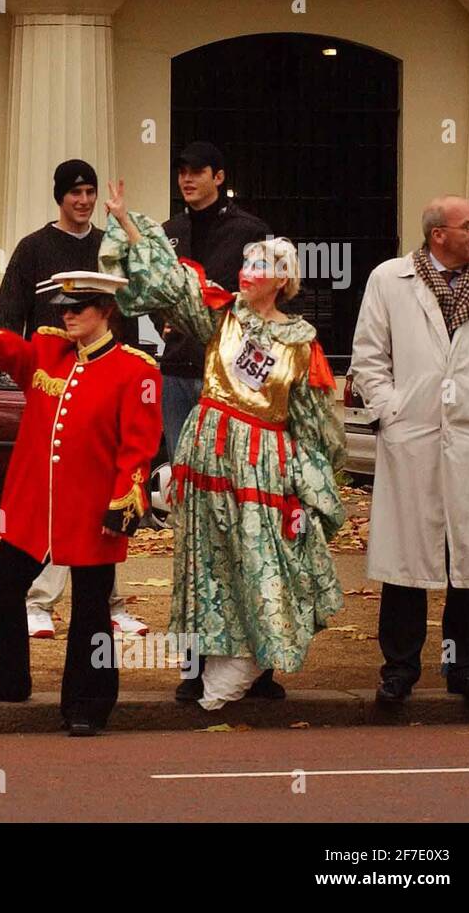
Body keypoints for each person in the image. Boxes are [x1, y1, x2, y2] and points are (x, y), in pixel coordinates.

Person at [103, 180, 346, 710]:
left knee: (257, 557)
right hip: (209, 450)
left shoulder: (303, 347)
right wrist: (126, 223)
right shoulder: (221, 315)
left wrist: (312, 485)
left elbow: (314, 425)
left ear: (282, 281)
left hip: (263, 465)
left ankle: (258, 669)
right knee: (201, 559)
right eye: (246, 263)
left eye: (259, 265)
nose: (246, 271)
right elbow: (170, 281)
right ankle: (196, 669)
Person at [0, 270, 163, 736]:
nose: (68, 315)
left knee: (91, 609)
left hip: (92, 509)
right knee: (2, 585)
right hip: (36, 506)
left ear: (107, 311)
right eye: (64, 309)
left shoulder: (136, 371)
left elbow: (140, 446)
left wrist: (124, 503)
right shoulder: (48, 353)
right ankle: (11, 678)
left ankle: (87, 704)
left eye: (79, 308)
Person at [350, 195, 469, 706]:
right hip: (412, 438)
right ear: (439, 234)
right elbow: (369, 357)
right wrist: (391, 413)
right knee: (407, 564)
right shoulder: (390, 280)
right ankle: (399, 671)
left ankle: (466, 670)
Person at [0, 158, 147, 639]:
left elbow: (135, 304)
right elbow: (7, 319)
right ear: (59, 196)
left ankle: (109, 601)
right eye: (74, 192)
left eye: (89, 192)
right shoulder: (33, 249)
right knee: (52, 497)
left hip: (104, 383)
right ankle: (39, 601)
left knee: (100, 498)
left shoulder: (109, 246)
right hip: (50, 382)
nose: (82, 201)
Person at [160, 141, 280, 700]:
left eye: (197, 172)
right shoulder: (169, 231)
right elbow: (153, 291)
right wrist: (167, 317)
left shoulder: (252, 232)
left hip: (236, 385)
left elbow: (266, 302)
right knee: (193, 524)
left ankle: (258, 664)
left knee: (247, 518)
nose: (187, 179)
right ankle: (194, 664)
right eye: (181, 171)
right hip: (181, 377)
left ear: (219, 175)